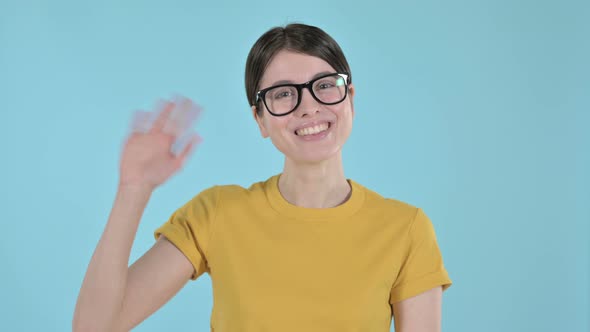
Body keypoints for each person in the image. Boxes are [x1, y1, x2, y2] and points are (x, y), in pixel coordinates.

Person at [73, 23, 452, 332]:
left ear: (349, 97)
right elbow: (94, 327)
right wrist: (133, 190)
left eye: (324, 85)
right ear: (260, 119)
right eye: (284, 94)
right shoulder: (217, 212)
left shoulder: (406, 229)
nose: (309, 107)